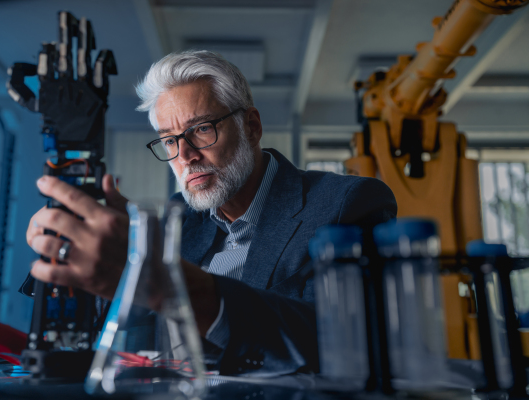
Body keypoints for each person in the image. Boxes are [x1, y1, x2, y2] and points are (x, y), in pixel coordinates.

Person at [26, 50, 397, 376]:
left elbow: (350, 344)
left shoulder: (347, 204)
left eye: (201, 129)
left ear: (251, 127)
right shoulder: (176, 217)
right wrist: (89, 257)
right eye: (169, 140)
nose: (185, 155)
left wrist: (169, 282)